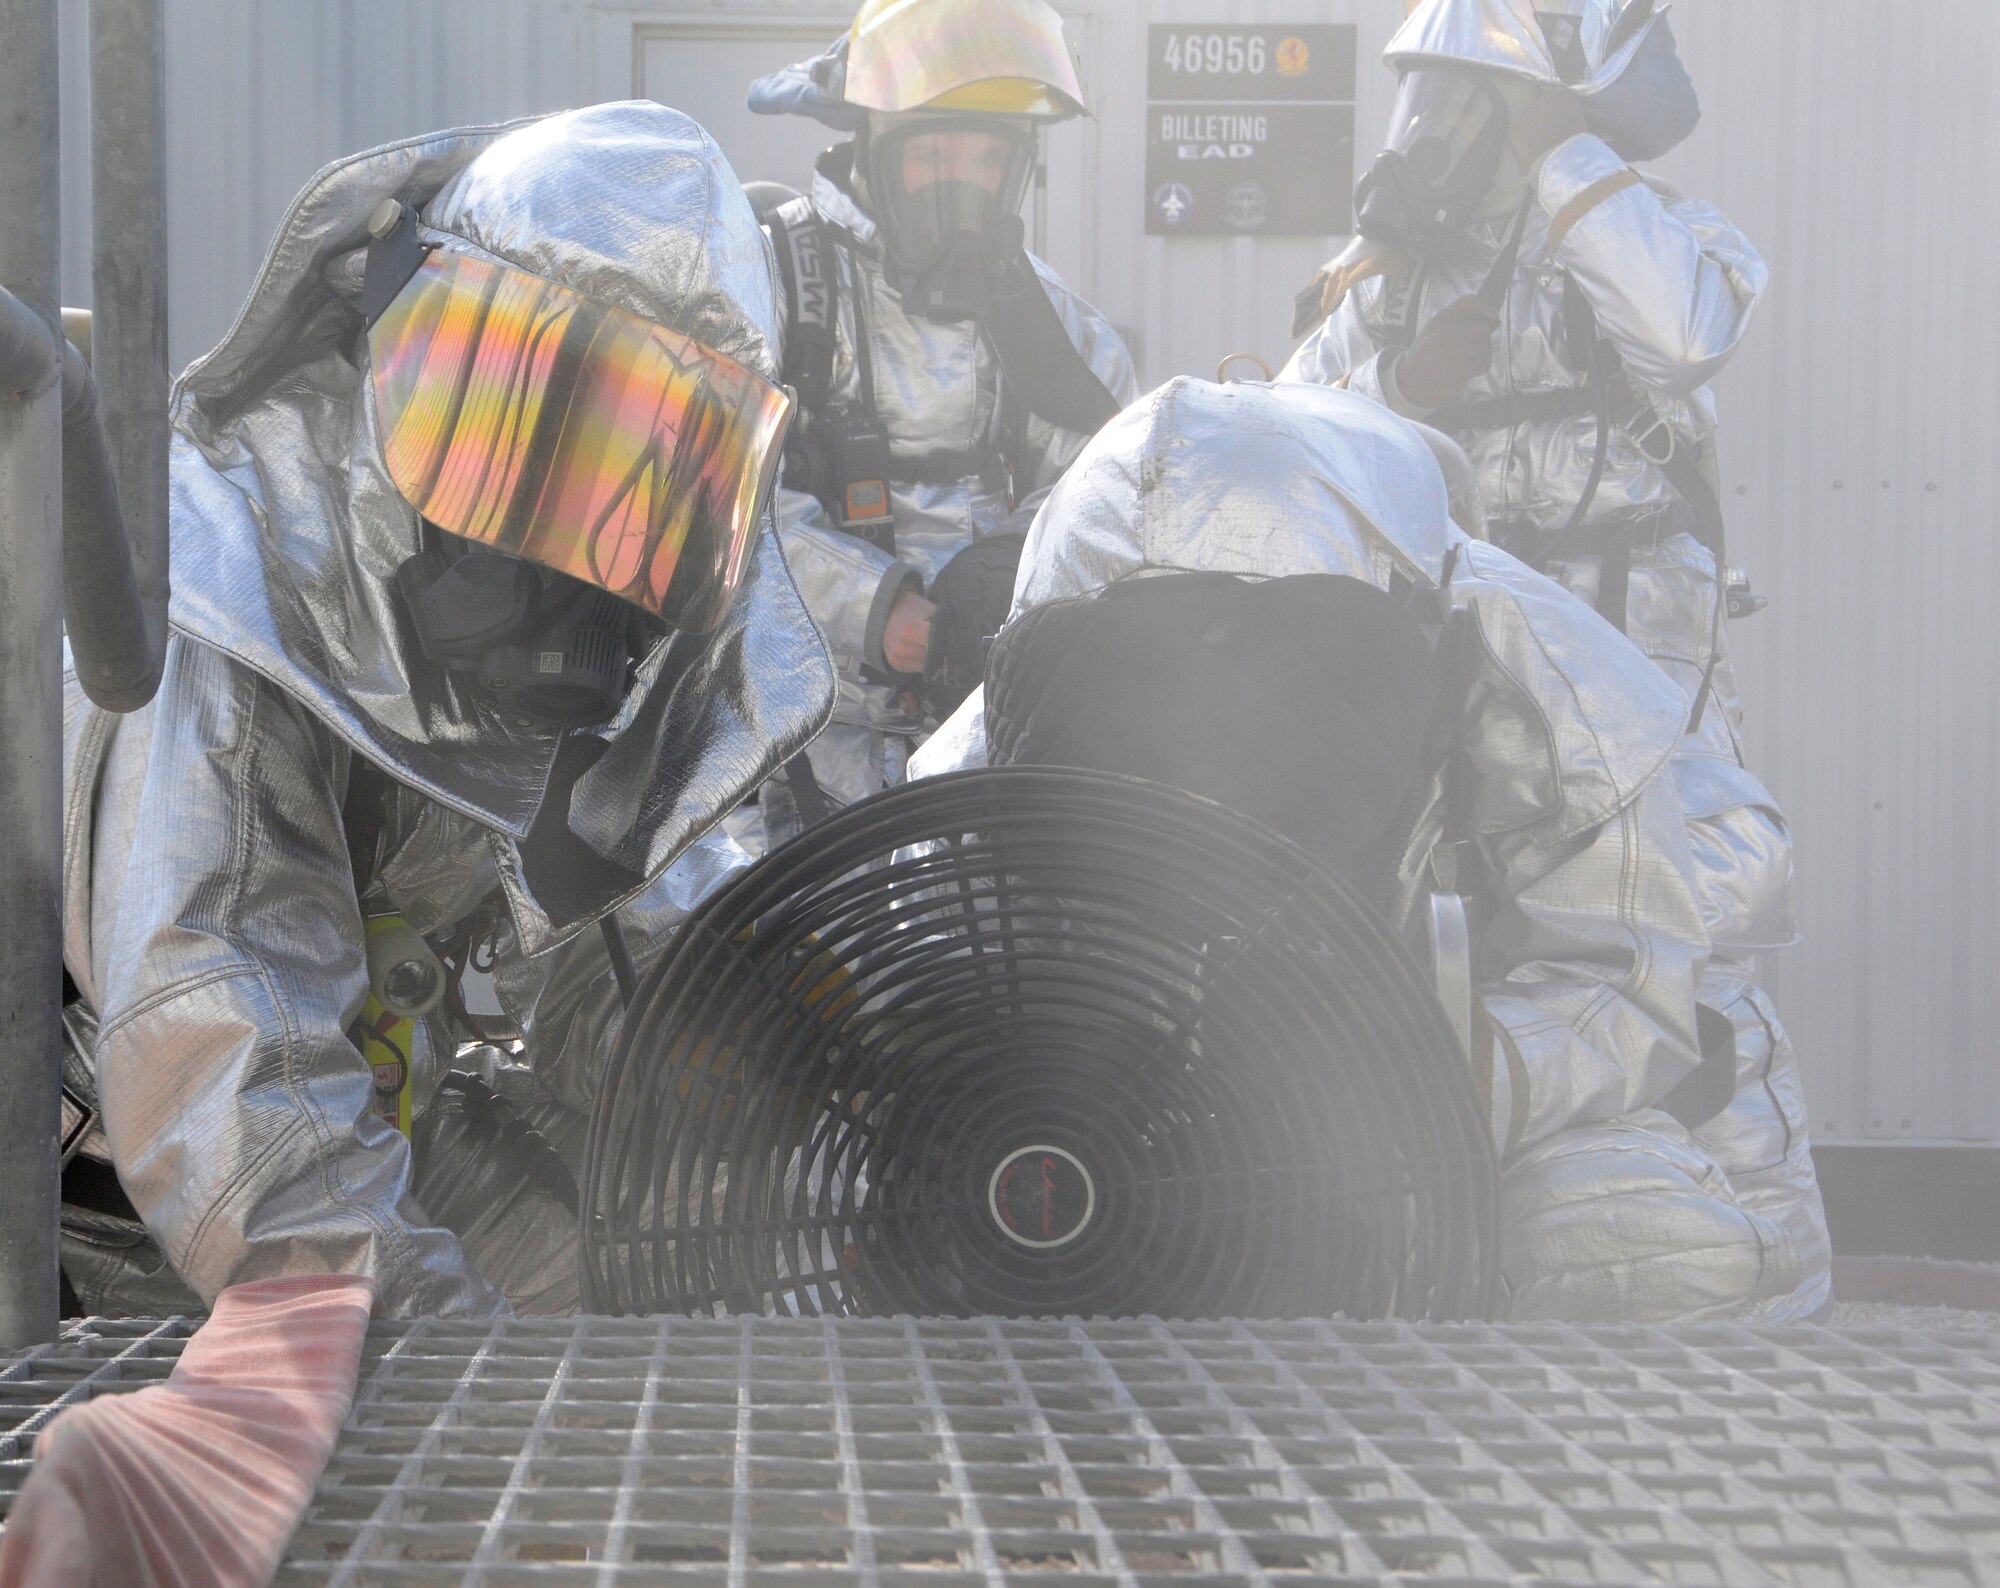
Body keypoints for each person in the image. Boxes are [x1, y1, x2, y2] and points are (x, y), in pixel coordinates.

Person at [57, 103, 836, 1319]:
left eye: (642, 478)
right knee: (488, 1392)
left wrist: (761, 1072)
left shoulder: (517, 647)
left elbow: (601, 952)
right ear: (391, 353)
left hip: (365, 1102)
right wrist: (455, 1390)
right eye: (541, 433)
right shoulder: (220, 604)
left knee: (673, 1263)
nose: (580, 541)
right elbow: (232, 1103)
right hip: (112, 1215)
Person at [913, 377, 1824, 1323]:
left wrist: (1461, 1067)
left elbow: (1630, 977)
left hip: (1555, 1106)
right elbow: (916, 964)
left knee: (1632, 1243)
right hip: (1221, 1145)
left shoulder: (1557, 690)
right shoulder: (1023, 732)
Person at [1281, 0, 1827, 1316]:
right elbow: (1286, 435)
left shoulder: (1656, 232)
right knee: (1496, 950)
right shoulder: (1390, 280)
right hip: (1478, 655)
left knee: (1704, 932)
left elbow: (1687, 335)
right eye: (1434, 96)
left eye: (1468, 98)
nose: (1436, 131)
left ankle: (1776, 1311)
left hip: (1641, 639)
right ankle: (1497, 1282)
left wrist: (1561, 153)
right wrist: (1403, 386)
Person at [740, 0, 1138, 848]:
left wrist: (993, 591)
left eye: (983, 155)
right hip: (809, 756)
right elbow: (722, 498)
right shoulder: (774, 292)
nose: (961, 181)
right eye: (932, 153)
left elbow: (1107, 488)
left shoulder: (1051, 323)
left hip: (1001, 749)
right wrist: (875, 610)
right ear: (876, 153)